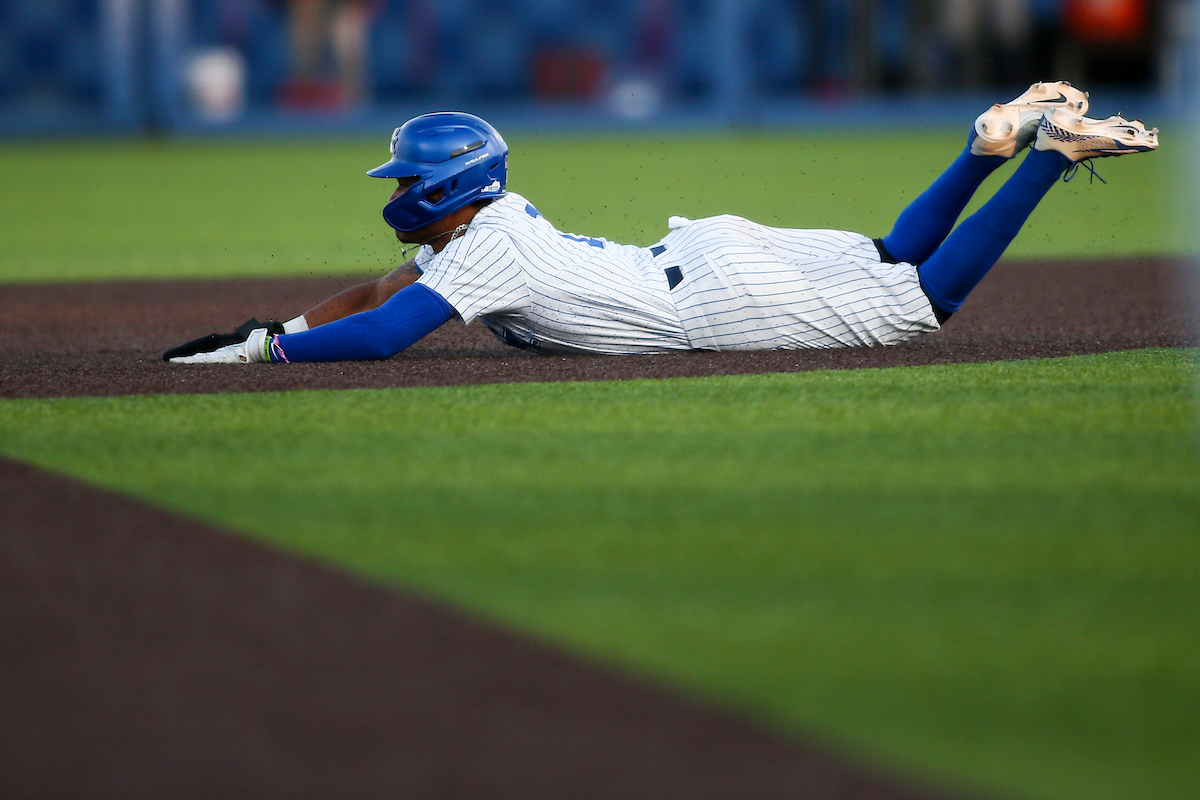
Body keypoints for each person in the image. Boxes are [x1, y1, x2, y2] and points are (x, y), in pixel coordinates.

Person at [164, 82, 1158, 365]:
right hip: (696, 254)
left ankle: (1046, 155)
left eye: (405, 179)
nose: (391, 192)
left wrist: (272, 362)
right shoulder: (481, 230)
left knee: (923, 298)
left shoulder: (487, 248)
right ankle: (984, 148)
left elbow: (384, 334)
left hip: (712, 298)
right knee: (887, 255)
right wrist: (274, 331)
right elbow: (374, 293)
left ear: (444, 190)